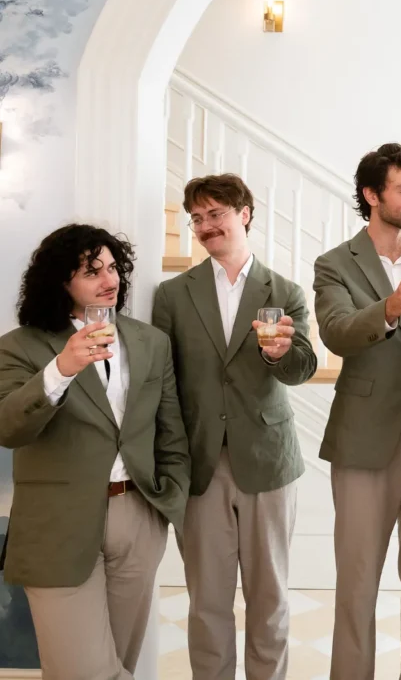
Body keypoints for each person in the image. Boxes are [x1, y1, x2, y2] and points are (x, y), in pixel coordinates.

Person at [0, 224, 189, 679]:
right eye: (91, 271)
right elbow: (8, 428)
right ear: (60, 283)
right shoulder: (19, 346)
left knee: (121, 662)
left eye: (112, 267)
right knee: (82, 672)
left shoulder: (150, 342)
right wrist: (61, 369)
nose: (110, 280)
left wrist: (167, 501)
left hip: (137, 516)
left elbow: (170, 433)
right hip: (58, 523)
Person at [152, 174, 317, 680]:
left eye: (216, 214)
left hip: (268, 460)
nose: (205, 226)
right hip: (199, 463)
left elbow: (303, 368)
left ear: (244, 214)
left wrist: (281, 353)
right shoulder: (172, 295)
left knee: (269, 598)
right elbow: (163, 382)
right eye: (197, 218)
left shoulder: (284, 290)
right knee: (207, 601)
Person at [312, 143, 401, 680]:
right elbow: (338, 333)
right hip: (363, 442)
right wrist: (392, 306)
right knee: (357, 584)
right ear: (372, 195)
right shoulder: (335, 264)